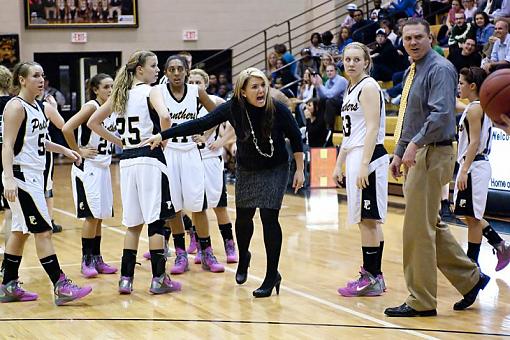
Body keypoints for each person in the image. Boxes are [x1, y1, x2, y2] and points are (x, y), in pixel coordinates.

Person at [142, 67, 304, 298]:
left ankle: (271, 275)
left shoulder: (276, 107)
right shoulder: (233, 108)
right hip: (247, 167)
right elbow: (201, 123)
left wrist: (300, 169)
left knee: (269, 217)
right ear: (243, 92)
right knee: (244, 218)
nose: (260, 91)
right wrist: (163, 135)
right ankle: (244, 255)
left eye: (263, 86)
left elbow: (296, 137)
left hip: (275, 167)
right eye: (254, 87)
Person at [384, 18, 489, 317]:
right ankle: (471, 279)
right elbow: (411, 116)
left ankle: (421, 300)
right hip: (419, 152)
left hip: (433, 153)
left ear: (430, 38)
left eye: (419, 37)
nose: (413, 42)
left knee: (416, 230)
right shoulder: (412, 70)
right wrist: (399, 151)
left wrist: (414, 146)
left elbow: (442, 114)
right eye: (407, 38)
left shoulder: (440, 69)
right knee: (429, 224)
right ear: (402, 41)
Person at [87, 50, 181, 295]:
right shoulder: (152, 90)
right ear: (140, 70)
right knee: (156, 222)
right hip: (149, 159)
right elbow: (165, 116)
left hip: (127, 161)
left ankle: (126, 279)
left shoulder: (119, 95)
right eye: (154, 65)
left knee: (133, 224)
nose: (158, 70)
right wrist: (163, 139)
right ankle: (159, 279)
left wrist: (119, 142)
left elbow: (93, 123)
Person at [0, 61, 92, 305]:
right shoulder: (15, 106)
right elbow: (7, 145)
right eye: (35, 76)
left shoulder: (38, 106)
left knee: (20, 232)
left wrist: (64, 149)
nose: (41, 80)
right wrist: (8, 178)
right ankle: (61, 286)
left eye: (42, 75)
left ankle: (7, 285)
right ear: (21, 80)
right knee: (43, 231)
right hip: (21, 177)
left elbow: (40, 142)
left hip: (34, 176)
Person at [154, 55, 224, 275]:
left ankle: (207, 252)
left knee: (198, 206)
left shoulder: (196, 92)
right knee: (173, 207)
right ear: (165, 73)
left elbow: (218, 114)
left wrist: (205, 135)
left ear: (186, 71)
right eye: (171, 69)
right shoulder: (158, 92)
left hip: (192, 154)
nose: (176, 73)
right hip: (170, 153)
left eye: (180, 69)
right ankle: (180, 254)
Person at [333, 42, 388, 297]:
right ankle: (375, 276)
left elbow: (373, 127)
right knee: (366, 220)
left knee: (367, 220)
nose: (351, 63)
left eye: (357, 59)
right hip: (356, 155)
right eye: (347, 59)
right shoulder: (350, 88)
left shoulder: (369, 86)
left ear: (366, 62)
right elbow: (349, 133)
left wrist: (364, 164)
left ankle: (371, 277)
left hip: (369, 156)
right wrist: (338, 163)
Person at [453, 66, 510, 271]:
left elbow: (474, 142)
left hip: (474, 165)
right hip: (475, 164)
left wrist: (464, 170)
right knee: (467, 214)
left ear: (472, 85)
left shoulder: (475, 110)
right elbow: (461, 107)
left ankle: (472, 265)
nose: (458, 86)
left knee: (473, 218)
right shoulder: (477, 107)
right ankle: (500, 246)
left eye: (461, 83)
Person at [62, 73, 118, 279]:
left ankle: (97, 258)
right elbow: (66, 127)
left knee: (100, 216)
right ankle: (86, 260)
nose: (110, 90)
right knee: (91, 217)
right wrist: (78, 151)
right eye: (105, 87)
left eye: (112, 86)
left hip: (103, 167)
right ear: (95, 89)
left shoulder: (111, 109)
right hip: (88, 167)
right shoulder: (91, 107)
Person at [187, 68, 238, 264]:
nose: (194, 86)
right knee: (196, 205)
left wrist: (221, 141)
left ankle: (229, 245)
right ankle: (202, 247)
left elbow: (234, 122)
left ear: (206, 84)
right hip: (191, 158)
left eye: (198, 82)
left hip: (211, 158)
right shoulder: (184, 104)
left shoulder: (216, 101)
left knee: (219, 205)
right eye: (190, 82)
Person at [312, 64, 348, 130]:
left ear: (336, 72)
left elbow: (330, 95)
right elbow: (322, 96)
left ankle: (329, 128)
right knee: (321, 100)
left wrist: (320, 85)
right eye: (327, 71)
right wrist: (317, 86)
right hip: (336, 105)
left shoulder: (341, 80)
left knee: (330, 101)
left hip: (346, 105)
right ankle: (319, 124)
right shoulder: (328, 82)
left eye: (331, 71)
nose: (329, 73)